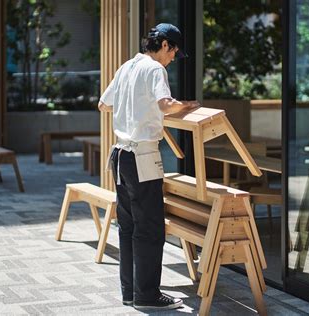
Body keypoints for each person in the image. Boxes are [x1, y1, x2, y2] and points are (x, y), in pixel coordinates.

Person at [98, 23, 198, 311]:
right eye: (174, 51)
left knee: (128, 227)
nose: (173, 57)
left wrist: (133, 110)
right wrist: (187, 105)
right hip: (141, 156)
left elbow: (104, 105)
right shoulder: (155, 69)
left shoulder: (127, 66)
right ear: (164, 44)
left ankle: (130, 293)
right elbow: (166, 105)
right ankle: (148, 295)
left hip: (120, 155)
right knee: (151, 228)